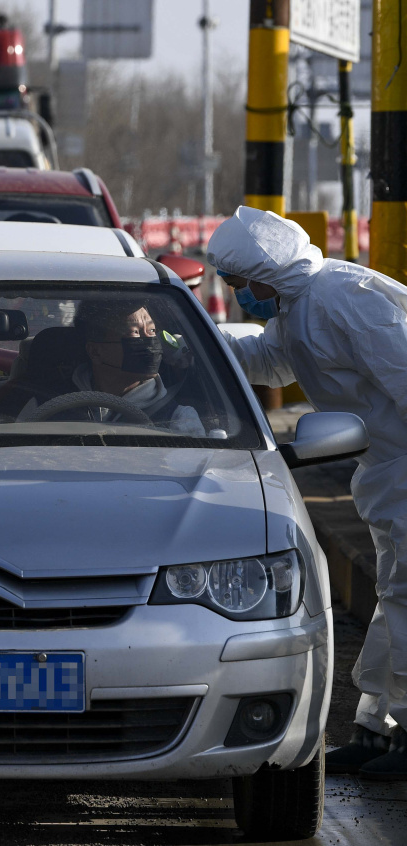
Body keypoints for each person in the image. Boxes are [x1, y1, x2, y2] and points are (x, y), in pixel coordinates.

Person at [208, 205, 407, 779]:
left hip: (402, 467)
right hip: (386, 469)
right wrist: (196, 345)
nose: (240, 295)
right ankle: (377, 729)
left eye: (240, 284)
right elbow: (270, 363)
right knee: (394, 599)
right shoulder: (298, 306)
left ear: (264, 272)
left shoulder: (343, 297)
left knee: (406, 598)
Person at [16, 301, 206, 436]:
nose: (149, 341)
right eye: (134, 332)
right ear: (95, 352)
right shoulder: (45, 408)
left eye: (151, 331)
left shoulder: (178, 419)